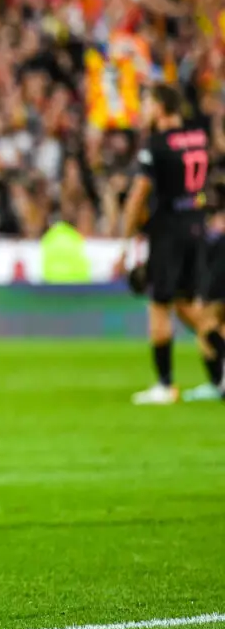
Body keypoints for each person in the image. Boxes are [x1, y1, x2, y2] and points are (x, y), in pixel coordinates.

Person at [120, 84, 224, 405]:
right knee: (189, 305)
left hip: (168, 232)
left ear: (161, 106)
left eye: (147, 103)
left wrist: (125, 239)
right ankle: (219, 377)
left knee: (159, 305)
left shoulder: (156, 145)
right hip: (196, 226)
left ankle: (165, 384)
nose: (144, 110)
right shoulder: (197, 136)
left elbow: (139, 194)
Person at [185, 205, 225, 400]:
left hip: (216, 285)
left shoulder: (212, 234)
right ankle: (218, 382)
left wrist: (203, 294)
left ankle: (218, 383)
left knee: (206, 329)